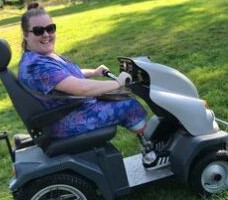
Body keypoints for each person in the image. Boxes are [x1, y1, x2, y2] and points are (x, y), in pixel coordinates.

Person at [18, 2, 169, 170]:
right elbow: (81, 88)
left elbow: (65, 76)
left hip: (66, 111)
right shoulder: (38, 66)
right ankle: (151, 155)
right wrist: (117, 82)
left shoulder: (38, 56)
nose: (46, 34)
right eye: (39, 31)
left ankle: (152, 145)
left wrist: (94, 72)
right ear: (26, 34)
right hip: (66, 120)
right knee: (128, 106)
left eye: (50, 28)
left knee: (121, 95)